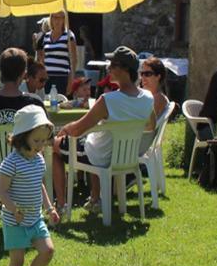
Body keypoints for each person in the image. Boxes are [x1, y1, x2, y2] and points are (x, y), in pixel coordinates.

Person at [52, 46, 155, 212]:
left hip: (101, 156)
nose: (108, 68)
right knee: (95, 141)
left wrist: (64, 129)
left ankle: (61, 205)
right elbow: (151, 126)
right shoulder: (147, 98)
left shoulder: (107, 100)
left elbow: (78, 129)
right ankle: (95, 198)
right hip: (125, 156)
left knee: (55, 146)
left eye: (113, 65)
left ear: (125, 69)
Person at [0, 105, 60, 266]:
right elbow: (2, 192)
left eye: (44, 140)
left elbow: (39, 185)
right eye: (36, 141)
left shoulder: (39, 159)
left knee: (48, 250)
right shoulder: (11, 163)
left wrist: (49, 208)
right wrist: (14, 209)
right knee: (17, 261)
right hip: (15, 220)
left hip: (34, 218)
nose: (41, 145)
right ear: (22, 138)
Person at [35, 11, 78, 95]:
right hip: (47, 78)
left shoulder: (69, 36)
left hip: (62, 77)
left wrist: (71, 80)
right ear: (51, 19)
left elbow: (74, 60)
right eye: (55, 17)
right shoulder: (46, 36)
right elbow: (43, 59)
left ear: (64, 20)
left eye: (61, 18)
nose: (58, 21)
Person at [138, 56, 171, 122]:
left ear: (158, 77)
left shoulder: (158, 98)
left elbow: (145, 125)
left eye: (147, 74)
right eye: (142, 74)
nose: (143, 78)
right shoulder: (150, 96)